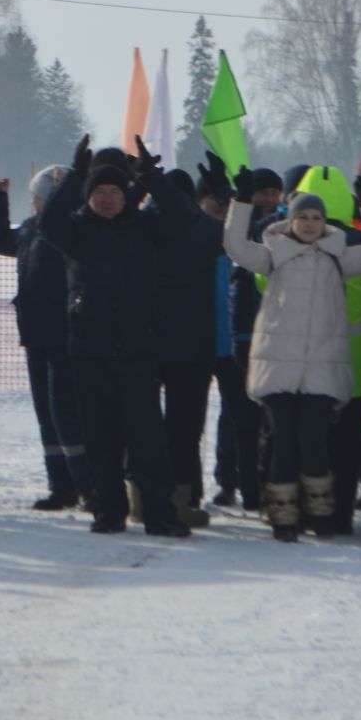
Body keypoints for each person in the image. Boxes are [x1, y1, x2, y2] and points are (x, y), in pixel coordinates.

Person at [37, 136, 196, 538]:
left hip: (139, 352)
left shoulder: (146, 229)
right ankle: (108, 512)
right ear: (89, 196)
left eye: (115, 192)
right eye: (100, 192)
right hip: (90, 352)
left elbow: (184, 217)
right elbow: (47, 223)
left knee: (148, 441)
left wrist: (152, 178)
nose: (108, 199)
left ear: (127, 196)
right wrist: (75, 177)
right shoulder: (75, 232)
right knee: (101, 440)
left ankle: (160, 514)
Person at [220, 169, 361, 542]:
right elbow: (234, 246)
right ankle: (283, 516)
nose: (310, 225)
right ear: (289, 220)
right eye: (303, 217)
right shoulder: (273, 255)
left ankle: (320, 512)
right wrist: (242, 203)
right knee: (283, 441)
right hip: (279, 365)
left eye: (316, 218)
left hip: (321, 368)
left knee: (312, 441)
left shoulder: (338, 257)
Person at [0, 165, 89, 511]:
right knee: (47, 412)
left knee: (67, 412)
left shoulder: (72, 229)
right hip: (35, 335)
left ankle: (87, 484)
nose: (33, 204)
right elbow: (1, 241)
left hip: (66, 336)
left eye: (37, 199)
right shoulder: (31, 229)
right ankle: (61, 486)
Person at [153, 167, 225, 528]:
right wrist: (229, 197)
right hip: (194, 346)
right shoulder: (207, 231)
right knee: (186, 428)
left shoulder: (141, 227)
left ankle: (145, 495)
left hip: (145, 343)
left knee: (145, 426)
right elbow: (236, 237)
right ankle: (184, 498)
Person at [212, 167, 281, 511]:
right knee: (236, 416)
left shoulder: (284, 230)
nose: (268, 199)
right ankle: (229, 480)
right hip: (237, 341)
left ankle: (260, 485)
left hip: (272, 343)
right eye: (262, 192)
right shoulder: (239, 230)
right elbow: (237, 290)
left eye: (274, 192)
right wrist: (238, 336)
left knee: (267, 419)